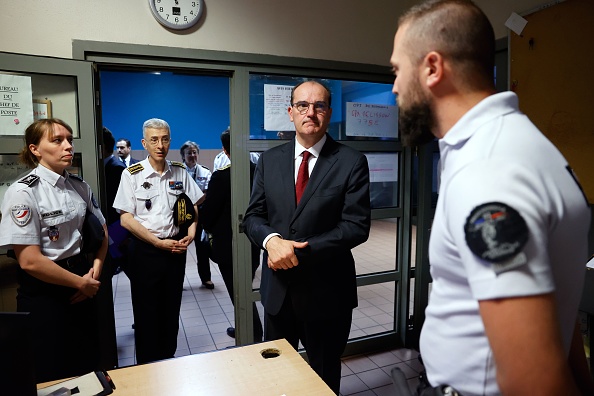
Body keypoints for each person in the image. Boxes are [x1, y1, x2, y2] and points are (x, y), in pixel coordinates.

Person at [391, 1, 594, 395]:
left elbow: (534, 378)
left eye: (398, 70)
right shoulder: (521, 144)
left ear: (432, 68)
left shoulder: (487, 169)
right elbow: (556, 314)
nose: (395, 86)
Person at [243, 80, 371, 394]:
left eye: (319, 106)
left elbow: (356, 225)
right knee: (277, 377)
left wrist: (301, 250)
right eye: (302, 105)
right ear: (290, 112)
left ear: (329, 113)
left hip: (328, 294)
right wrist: (272, 240)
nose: (310, 112)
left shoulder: (351, 161)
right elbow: (252, 217)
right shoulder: (270, 161)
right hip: (279, 294)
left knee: (324, 378)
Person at [0, 118, 108, 382]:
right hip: (46, 292)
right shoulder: (23, 193)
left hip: (84, 281)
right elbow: (30, 261)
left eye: (69, 139)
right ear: (35, 149)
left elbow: (103, 235)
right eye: (58, 140)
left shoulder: (79, 186)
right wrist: (79, 284)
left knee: (89, 367)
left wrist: (92, 275)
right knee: (53, 373)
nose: (68, 146)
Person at [112, 118, 203, 364]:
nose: (160, 145)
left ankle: (168, 360)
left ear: (169, 141)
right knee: (146, 313)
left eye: (164, 139)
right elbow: (126, 219)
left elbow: (193, 205)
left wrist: (192, 232)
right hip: (145, 251)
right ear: (144, 142)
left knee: (171, 310)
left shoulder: (180, 171)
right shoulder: (131, 175)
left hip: (174, 250)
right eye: (154, 140)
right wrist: (155, 242)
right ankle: (147, 366)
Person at [200, 129, 263, 342]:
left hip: (229, 246)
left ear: (225, 151)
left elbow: (207, 216)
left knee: (238, 292)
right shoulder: (259, 172)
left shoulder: (221, 177)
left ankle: (252, 334)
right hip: (255, 242)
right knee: (245, 287)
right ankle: (244, 327)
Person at [179, 141, 214, 289]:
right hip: (181, 215)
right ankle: (177, 280)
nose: (192, 155)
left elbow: (207, 193)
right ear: (183, 156)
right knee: (180, 249)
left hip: (200, 215)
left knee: (202, 248)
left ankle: (206, 278)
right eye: (189, 153)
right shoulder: (176, 172)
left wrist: (193, 201)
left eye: (194, 152)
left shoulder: (205, 172)